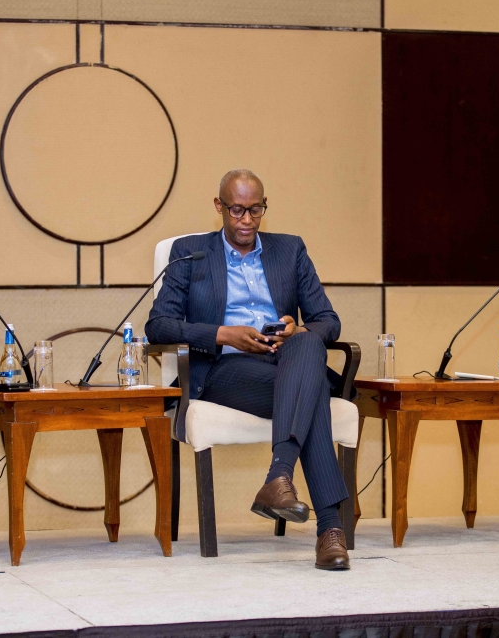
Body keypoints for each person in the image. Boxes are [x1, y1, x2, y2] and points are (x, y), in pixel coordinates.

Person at [145, 169, 350, 570]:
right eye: (237, 210)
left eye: (255, 210)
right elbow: (159, 325)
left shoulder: (289, 250)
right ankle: (330, 529)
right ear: (219, 206)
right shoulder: (190, 253)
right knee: (312, 392)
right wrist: (222, 334)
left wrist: (296, 328)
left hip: (285, 362)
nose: (246, 220)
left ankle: (279, 476)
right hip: (224, 369)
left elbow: (329, 321)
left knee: (308, 343)